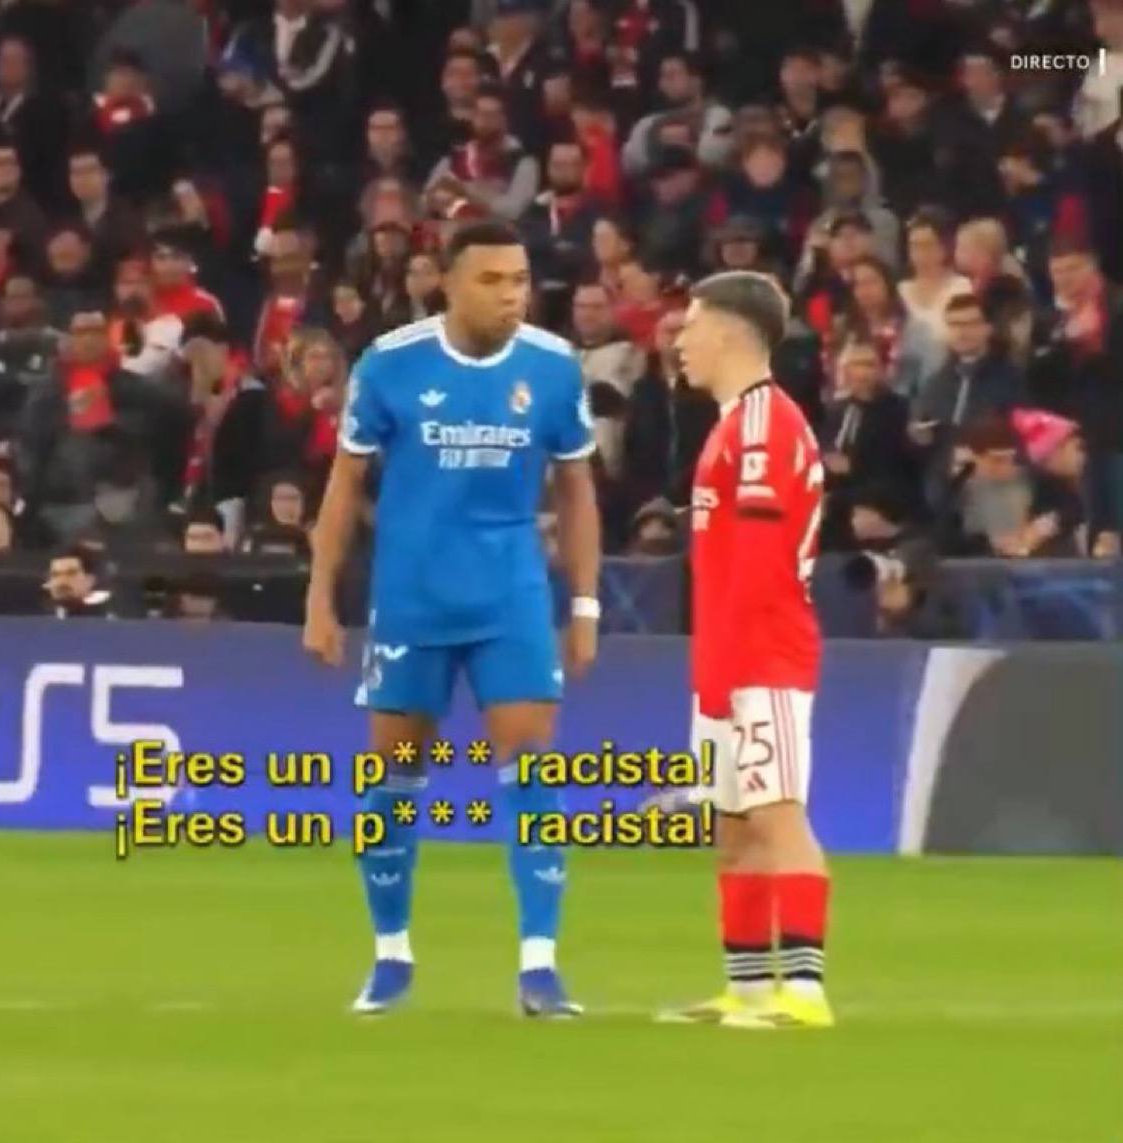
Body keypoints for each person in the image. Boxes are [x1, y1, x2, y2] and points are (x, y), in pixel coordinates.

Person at [303, 220, 600, 1018]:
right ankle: (390, 955)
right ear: (449, 283)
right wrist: (320, 596)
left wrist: (584, 602)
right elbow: (344, 484)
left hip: (511, 596)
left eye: (520, 280)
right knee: (393, 778)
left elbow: (576, 489)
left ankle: (540, 966)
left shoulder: (552, 366)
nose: (511, 295)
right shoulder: (390, 363)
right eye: (492, 280)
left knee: (534, 766)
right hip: (412, 596)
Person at [651, 270, 832, 1030]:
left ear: (729, 330)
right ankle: (748, 989)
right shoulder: (733, 423)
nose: (679, 341)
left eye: (690, 325)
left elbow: (760, 563)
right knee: (733, 826)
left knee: (777, 813)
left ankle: (806, 991)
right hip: (727, 657)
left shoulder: (763, 424)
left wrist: (731, 674)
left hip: (765, 654)